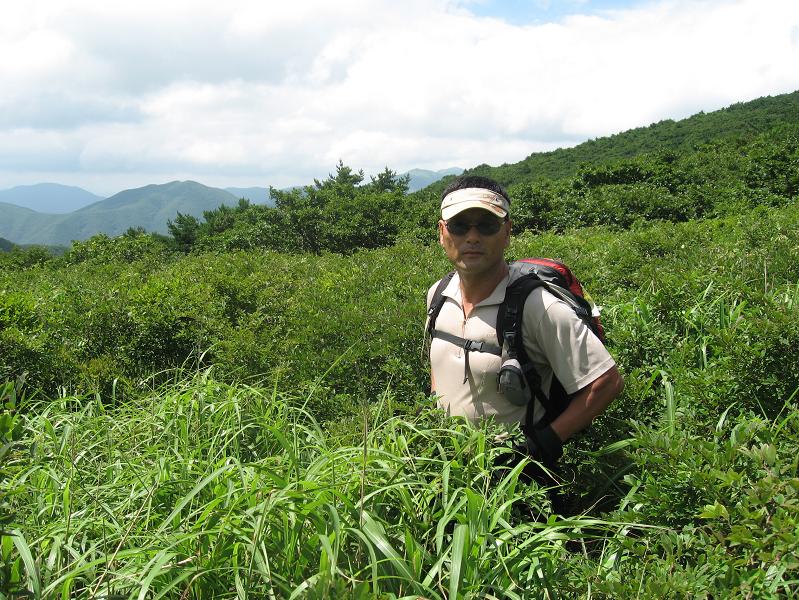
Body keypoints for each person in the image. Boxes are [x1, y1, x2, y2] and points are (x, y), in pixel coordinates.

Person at [427, 174, 624, 488]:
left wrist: (540, 447)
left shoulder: (537, 306)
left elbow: (606, 381)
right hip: (447, 469)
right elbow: (438, 366)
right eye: (460, 226)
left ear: (507, 232)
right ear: (442, 233)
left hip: (517, 479)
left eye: (487, 226)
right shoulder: (438, 294)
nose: (473, 237)